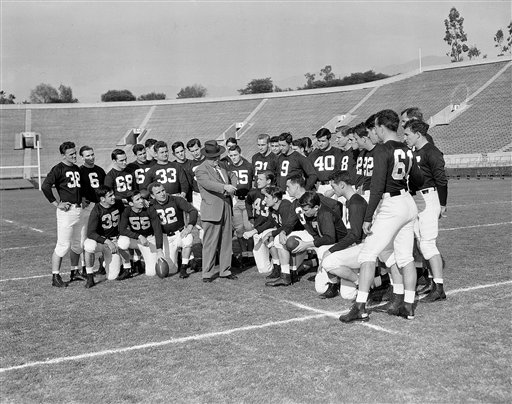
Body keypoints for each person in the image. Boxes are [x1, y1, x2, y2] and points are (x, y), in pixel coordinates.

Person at [340, 109, 424, 323]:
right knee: (405, 258)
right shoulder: (407, 148)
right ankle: (408, 305)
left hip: (392, 204)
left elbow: (376, 187)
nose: (374, 132)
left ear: (382, 126)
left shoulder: (381, 150)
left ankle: (360, 307)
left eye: (376, 127)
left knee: (368, 254)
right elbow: (418, 179)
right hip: (407, 202)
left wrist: (368, 217)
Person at [403, 120, 448, 302]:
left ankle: (439, 287)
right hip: (416, 198)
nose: (404, 138)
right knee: (421, 243)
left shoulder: (432, 152)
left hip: (429, 198)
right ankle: (431, 282)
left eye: (407, 134)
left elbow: (441, 180)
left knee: (428, 243)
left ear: (418, 134)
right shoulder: (415, 152)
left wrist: (442, 204)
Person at [319, 171, 369, 299]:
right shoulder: (351, 200)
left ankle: (362, 283)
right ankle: (357, 280)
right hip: (356, 245)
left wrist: (332, 250)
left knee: (328, 260)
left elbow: (356, 234)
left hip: (363, 246)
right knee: (347, 295)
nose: (333, 190)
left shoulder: (356, 202)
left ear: (341, 185)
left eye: (334, 187)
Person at [41, 141, 84, 287]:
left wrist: (82, 198)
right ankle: (55, 276)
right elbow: (45, 186)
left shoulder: (77, 168)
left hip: (78, 210)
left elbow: (77, 188)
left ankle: (74, 271)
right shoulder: (58, 169)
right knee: (63, 245)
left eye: (74, 153)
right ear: (63, 155)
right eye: (70, 154)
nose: (74, 156)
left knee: (78, 244)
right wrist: (56, 203)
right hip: (66, 211)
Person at [195, 140, 238, 282]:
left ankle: (225, 270)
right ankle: (207, 273)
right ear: (207, 157)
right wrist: (225, 187)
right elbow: (208, 184)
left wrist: (233, 186)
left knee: (226, 241)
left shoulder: (222, 166)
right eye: (213, 158)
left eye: (217, 157)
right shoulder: (201, 170)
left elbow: (233, 176)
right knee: (210, 243)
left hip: (226, 206)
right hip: (212, 210)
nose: (216, 160)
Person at [148, 183, 198, 277]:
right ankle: (185, 257)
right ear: (152, 196)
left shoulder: (176, 199)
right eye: (158, 192)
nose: (162, 194)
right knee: (171, 270)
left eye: (163, 190)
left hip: (180, 233)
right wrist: (159, 249)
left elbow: (193, 211)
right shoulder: (151, 206)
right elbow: (157, 229)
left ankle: (183, 268)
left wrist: (189, 227)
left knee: (188, 239)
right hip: (165, 237)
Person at [83, 185, 129, 286]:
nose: (113, 197)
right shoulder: (96, 211)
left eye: (113, 194)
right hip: (101, 242)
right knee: (89, 245)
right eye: (110, 195)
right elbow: (90, 233)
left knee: (112, 277)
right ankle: (90, 276)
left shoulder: (117, 203)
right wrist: (107, 241)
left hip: (113, 240)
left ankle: (103, 261)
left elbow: (130, 202)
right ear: (103, 199)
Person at [118, 191, 164, 277]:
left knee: (151, 273)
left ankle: (138, 261)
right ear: (131, 203)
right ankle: (127, 267)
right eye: (138, 199)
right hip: (135, 239)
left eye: (141, 198)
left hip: (148, 239)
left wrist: (159, 249)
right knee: (122, 242)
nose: (141, 201)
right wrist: (138, 236)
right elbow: (122, 230)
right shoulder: (127, 211)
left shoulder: (149, 209)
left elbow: (157, 230)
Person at [243, 170, 280, 276]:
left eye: (260, 179)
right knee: (264, 269)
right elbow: (248, 202)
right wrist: (250, 217)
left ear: (268, 181)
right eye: (256, 179)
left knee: (269, 238)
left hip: (271, 228)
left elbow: (271, 220)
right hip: (258, 228)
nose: (257, 181)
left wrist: (254, 231)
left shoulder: (275, 193)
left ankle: (279, 265)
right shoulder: (254, 192)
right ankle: (280, 263)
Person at [78, 145, 106, 275]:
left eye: (92, 154)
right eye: (88, 155)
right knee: (85, 236)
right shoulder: (79, 171)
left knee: (102, 233)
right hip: (87, 206)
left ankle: (103, 263)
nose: (91, 157)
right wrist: (81, 198)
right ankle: (85, 266)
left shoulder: (100, 170)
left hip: (100, 205)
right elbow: (75, 189)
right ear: (82, 157)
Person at [226, 145, 255, 267]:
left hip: (247, 200)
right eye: (231, 155)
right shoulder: (228, 168)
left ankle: (251, 254)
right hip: (235, 200)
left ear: (240, 153)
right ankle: (244, 254)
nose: (233, 158)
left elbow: (254, 182)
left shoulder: (248, 166)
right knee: (239, 229)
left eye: (235, 155)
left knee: (249, 227)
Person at [308, 128, 344, 195]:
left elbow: (342, 173)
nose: (320, 144)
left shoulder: (338, 152)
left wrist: (334, 189)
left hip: (335, 185)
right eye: (318, 141)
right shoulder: (313, 155)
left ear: (329, 140)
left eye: (323, 141)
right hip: (320, 186)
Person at [186, 138, 206, 211]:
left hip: (211, 193)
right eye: (192, 151)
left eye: (197, 150)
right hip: (198, 195)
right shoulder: (189, 165)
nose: (195, 153)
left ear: (201, 147)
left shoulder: (209, 160)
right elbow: (190, 183)